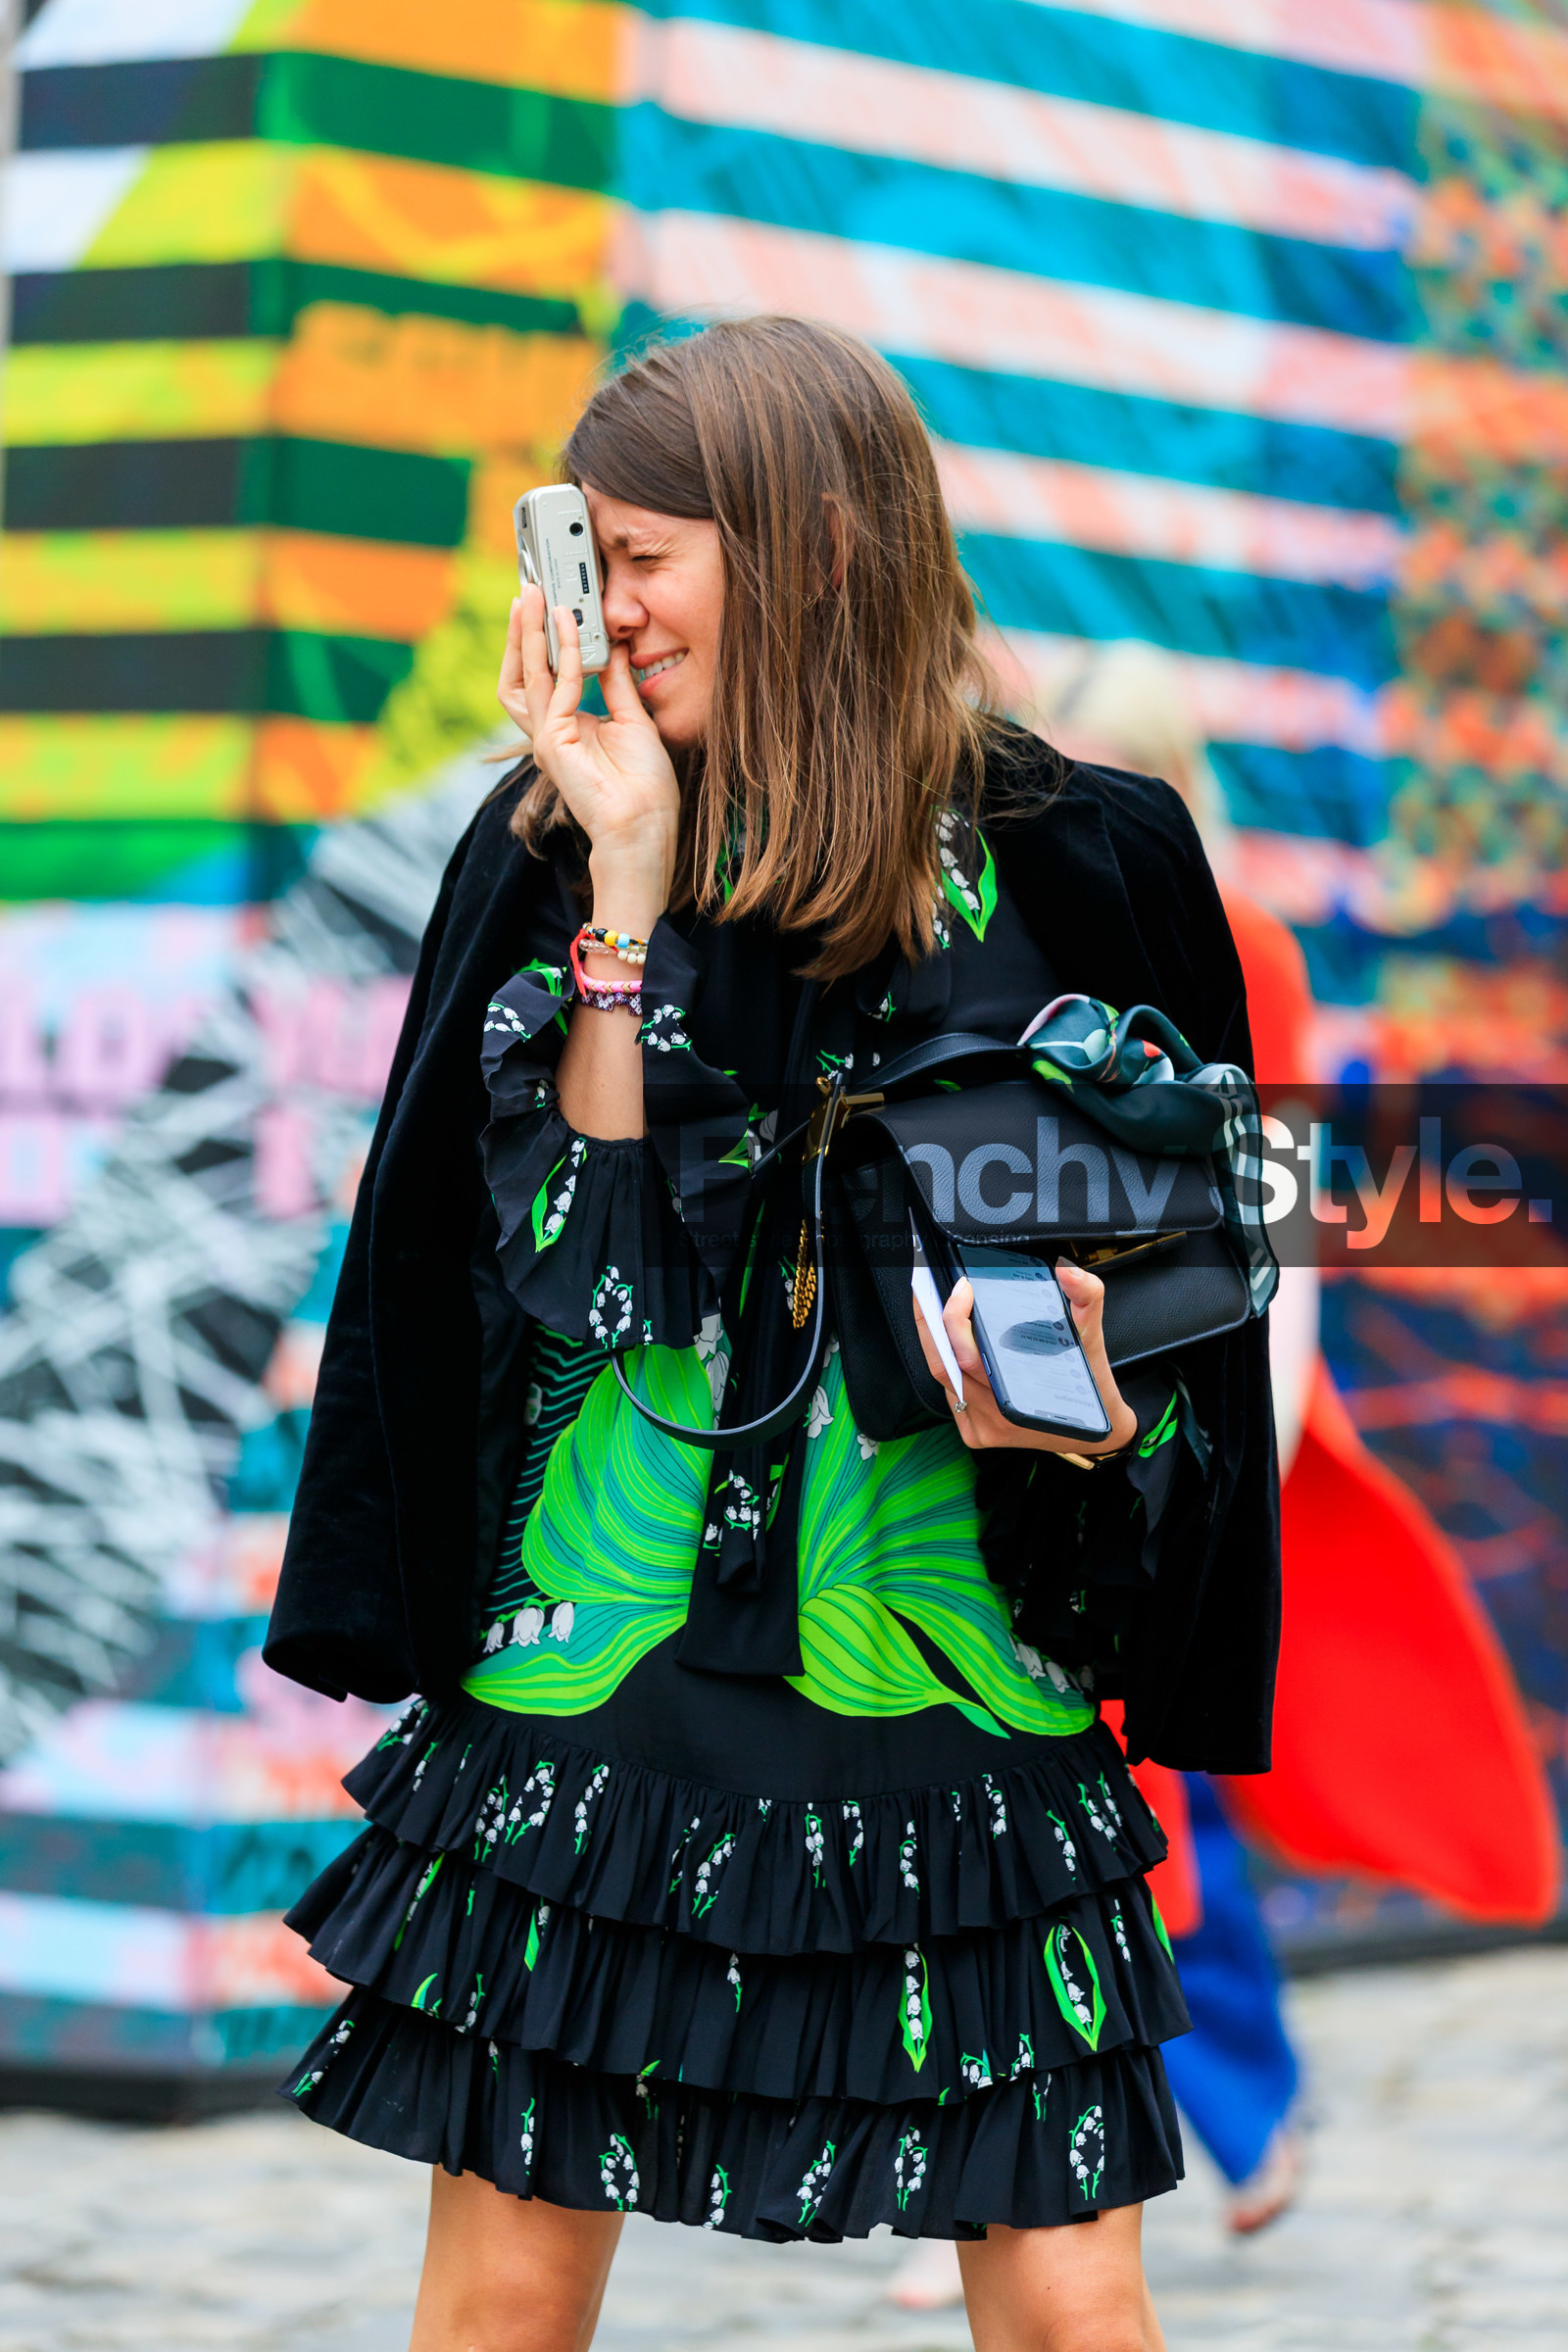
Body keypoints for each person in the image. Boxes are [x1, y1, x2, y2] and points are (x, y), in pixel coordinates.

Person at [264, 318, 1279, 2352]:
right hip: (608, 1691)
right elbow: (585, 1285)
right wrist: (624, 878)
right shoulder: (549, 845)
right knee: (506, 2298)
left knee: (1080, 2304)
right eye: (588, 560)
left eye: (642, 556)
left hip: (957, 1674)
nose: (604, 612)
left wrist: (1090, 1422)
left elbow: (1197, 1286)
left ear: (812, 545)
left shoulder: (1088, 852)